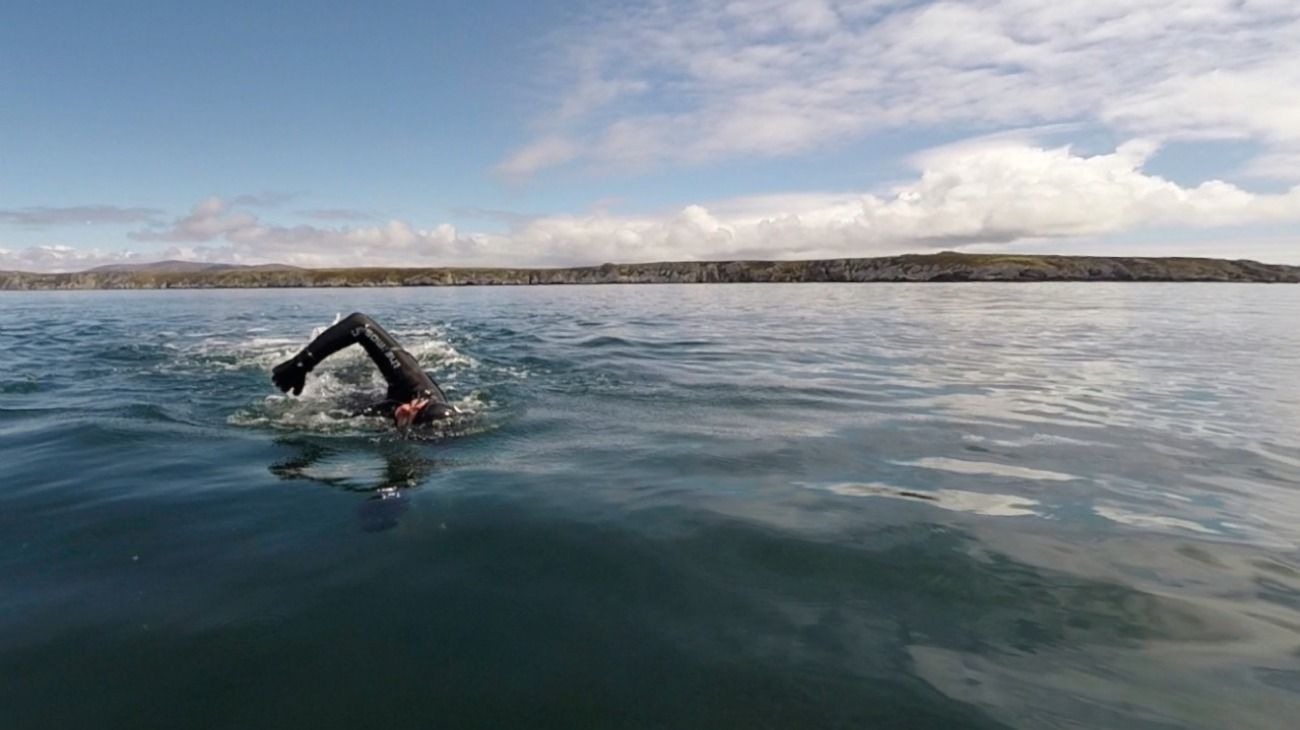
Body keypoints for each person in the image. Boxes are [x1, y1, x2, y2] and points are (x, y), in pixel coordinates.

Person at [272, 312, 457, 429]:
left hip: (363, 403)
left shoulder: (411, 428)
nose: (407, 408)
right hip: (357, 383)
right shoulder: (413, 383)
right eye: (416, 406)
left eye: (411, 415)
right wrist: (301, 364)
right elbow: (360, 324)